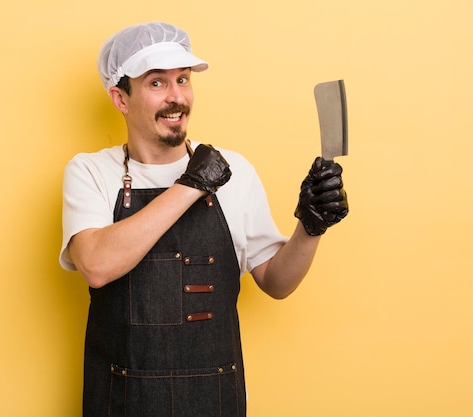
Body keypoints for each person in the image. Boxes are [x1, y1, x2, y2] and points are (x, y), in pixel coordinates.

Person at [59, 21, 348, 417]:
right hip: (121, 402)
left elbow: (277, 283)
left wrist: (311, 228)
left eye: (183, 79)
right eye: (157, 83)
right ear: (120, 98)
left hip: (215, 402)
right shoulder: (91, 172)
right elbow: (95, 264)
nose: (177, 97)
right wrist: (192, 184)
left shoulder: (236, 171)